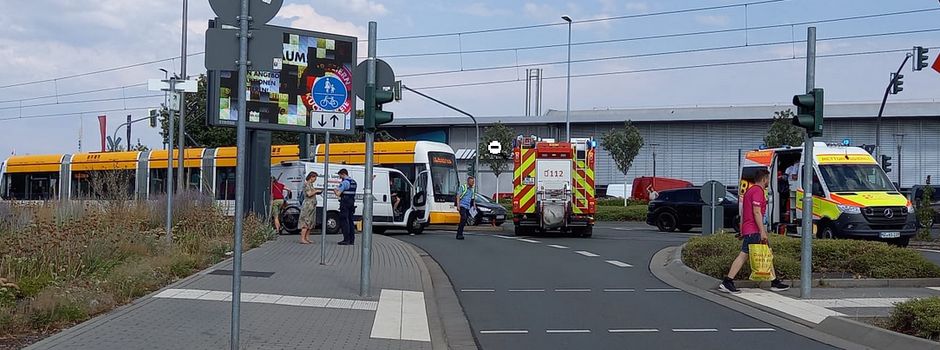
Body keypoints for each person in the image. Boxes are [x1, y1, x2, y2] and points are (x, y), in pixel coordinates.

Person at [719, 168, 790, 294]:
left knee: (767, 253)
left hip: (749, 228)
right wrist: (762, 231)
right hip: (754, 229)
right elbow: (756, 212)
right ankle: (727, 281)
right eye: (768, 179)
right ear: (764, 179)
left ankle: (774, 281)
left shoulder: (749, 191)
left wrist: (742, 230)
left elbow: (743, 211)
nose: (768, 181)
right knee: (744, 254)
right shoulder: (758, 191)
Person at [333, 169, 357, 245]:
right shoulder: (353, 182)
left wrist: (335, 190)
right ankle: (351, 240)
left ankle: (346, 239)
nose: (340, 177)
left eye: (340, 175)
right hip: (351, 202)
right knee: (351, 221)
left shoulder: (344, 183)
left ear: (343, 174)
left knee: (344, 221)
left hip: (345, 203)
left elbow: (338, 194)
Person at [299, 171, 321, 245]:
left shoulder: (311, 185)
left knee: (310, 222)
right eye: (315, 177)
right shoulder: (306, 184)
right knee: (306, 221)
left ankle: (307, 238)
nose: (315, 179)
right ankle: (302, 239)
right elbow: (309, 194)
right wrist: (316, 191)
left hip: (312, 205)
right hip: (307, 206)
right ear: (311, 177)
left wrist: (316, 191)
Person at [454, 176, 477, 240]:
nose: (473, 183)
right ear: (468, 181)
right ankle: (459, 234)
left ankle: (460, 233)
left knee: (464, 220)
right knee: (463, 218)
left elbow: (473, 198)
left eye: (473, 182)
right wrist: (458, 205)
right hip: (462, 205)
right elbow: (458, 196)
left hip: (467, 207)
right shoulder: (463, 187)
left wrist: (474, 205)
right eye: (472, 182)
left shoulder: (472, 189)